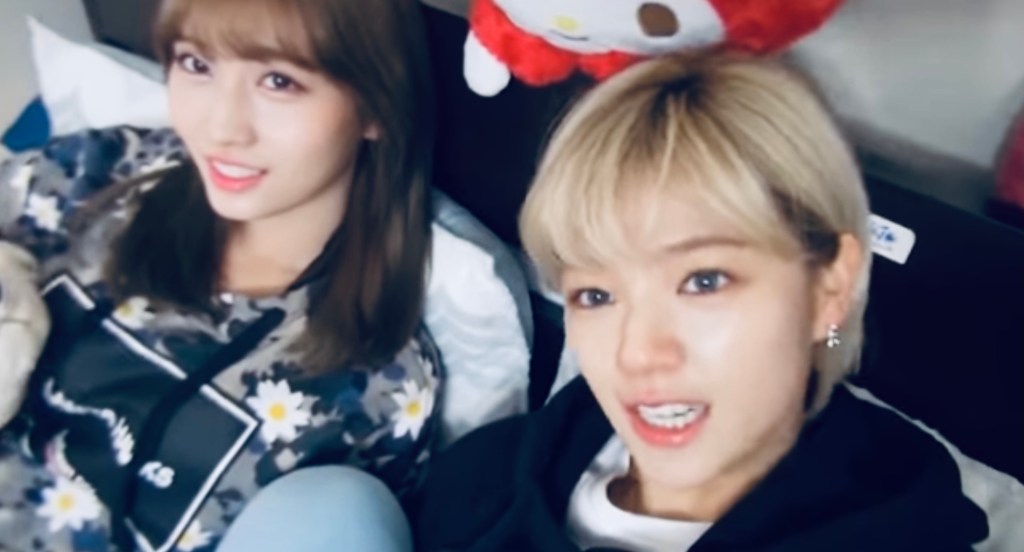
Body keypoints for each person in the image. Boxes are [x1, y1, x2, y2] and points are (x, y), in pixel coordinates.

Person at [414, 54, 989, 551]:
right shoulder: (475, 485)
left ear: (829, 290)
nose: (638, 354)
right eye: (596, 295)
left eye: (704, 281)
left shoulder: (903, 530)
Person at [0, 0, 440, 549]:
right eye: (196, 64)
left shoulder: (377, 383)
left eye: (279, 81)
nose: (220, 127)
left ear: (376, 105)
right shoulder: (98, 173)